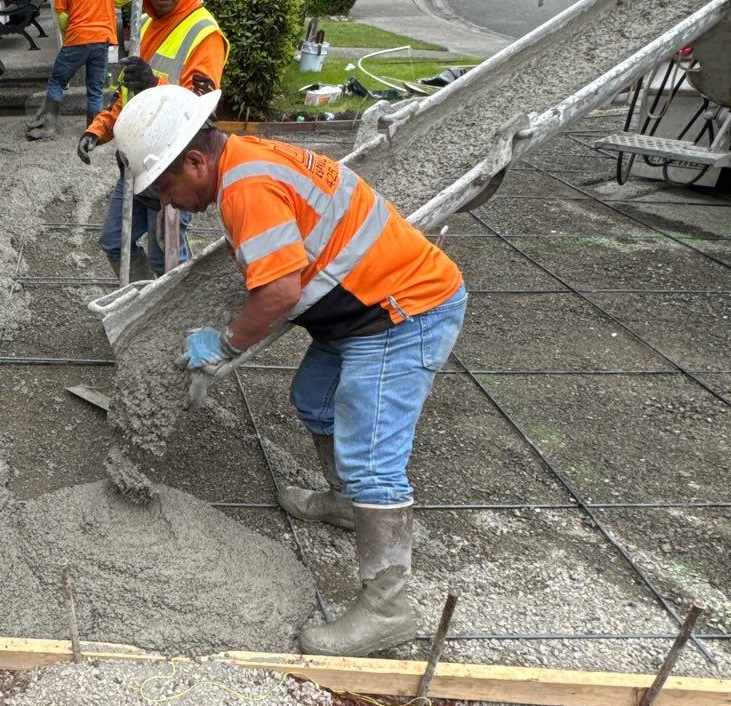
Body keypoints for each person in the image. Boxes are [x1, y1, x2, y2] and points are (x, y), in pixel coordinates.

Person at [112, 88, 467, 658]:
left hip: (403, 311)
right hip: (362, 311)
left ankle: (388, 605)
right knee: (314, 398)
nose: (170, 204)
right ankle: (349, 503)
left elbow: (280, 290)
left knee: (371, 455)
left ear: (196, 163)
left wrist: (224, 343)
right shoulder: (244, 160)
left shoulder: (246, 186)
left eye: (166, 191)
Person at [80, 0, 228, 275]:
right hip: (134, 170)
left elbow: (201, 114)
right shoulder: (144, 25)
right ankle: (142, 305)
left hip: (175, 176)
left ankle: (169, 325)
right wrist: (98, 130)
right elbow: (125, 97)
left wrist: (155, 84)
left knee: (170, 263)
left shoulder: (203, 34)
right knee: (114, 242)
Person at [26, 0, 131, 140]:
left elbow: (62, 15)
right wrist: (106, 3)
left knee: (57, 82)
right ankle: (92, 132)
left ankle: (48, 128)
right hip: (102, 40)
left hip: (76, 40)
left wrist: (69, 33)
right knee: (95, 89)